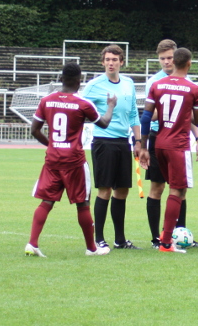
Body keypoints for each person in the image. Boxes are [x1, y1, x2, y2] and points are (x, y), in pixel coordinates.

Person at [26, 63, 117, 258]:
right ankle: (92, 248)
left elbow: (34, 130)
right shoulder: (83, 103)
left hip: (52, 160)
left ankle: (32, 243)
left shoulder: (46, 101)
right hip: (74, 161)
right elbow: (104, 123)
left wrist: (51, 144)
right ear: (80, 80)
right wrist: (110, 106)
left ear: (61, 78)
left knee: (47, 201)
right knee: (82, 203)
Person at [140, 48, 198, 253]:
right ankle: (166, 242)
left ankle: (164, 238)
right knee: (177, 190)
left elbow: (146, 117)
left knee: (167, 189)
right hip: (179, 145)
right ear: (189, 64)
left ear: (173, 62)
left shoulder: (157, 85)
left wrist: (143, 146)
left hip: (158, 143)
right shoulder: (194, 89)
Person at [81, 45, 142, 250]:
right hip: (103, 141)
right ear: (102, 62)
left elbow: (133, 112)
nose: (110, 63)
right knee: (104, 190)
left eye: (114, 59)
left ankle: (120, 239)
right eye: (107, 59)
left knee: (122, 191)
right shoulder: (94, 85)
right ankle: (99, 238)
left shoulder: (128, 83)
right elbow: (80, 109)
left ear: (121, 62)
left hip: (123, 142)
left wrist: (138, 141)